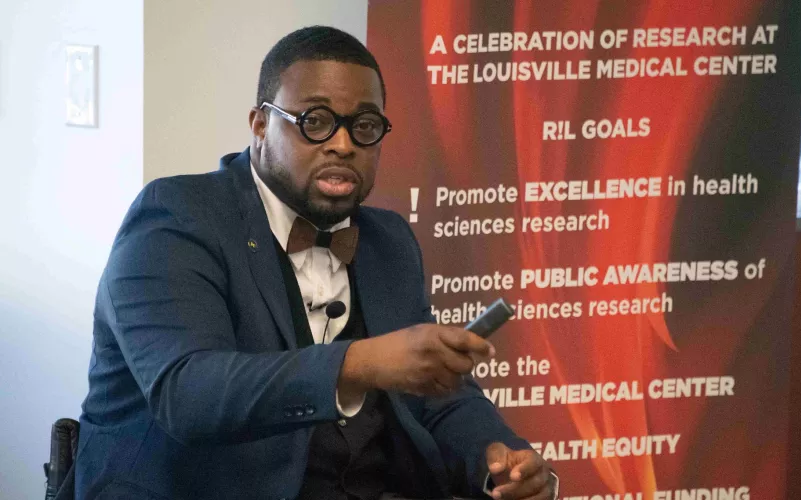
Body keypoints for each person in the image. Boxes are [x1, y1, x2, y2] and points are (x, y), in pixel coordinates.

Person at [73, 26, 558, 500]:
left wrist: (497, 459)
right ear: (260, 125)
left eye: (365, 126)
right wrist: (361, 363)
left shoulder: (388, 240)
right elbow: (188, 394)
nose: (343, 144)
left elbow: (432, 394)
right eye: (316, 121)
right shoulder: (176, 217)